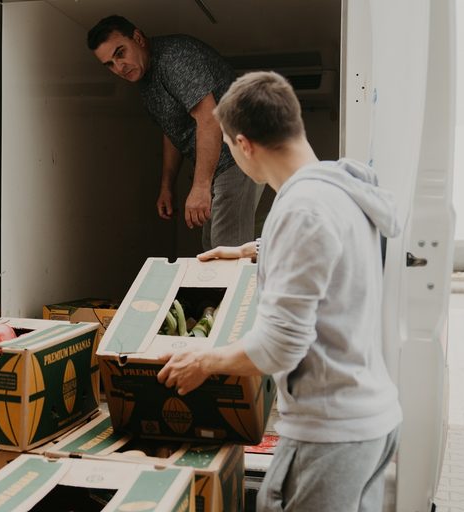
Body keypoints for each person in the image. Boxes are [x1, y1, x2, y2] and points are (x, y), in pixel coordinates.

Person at [157, 71, 403, 511]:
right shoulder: (337, 188)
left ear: (244, 145)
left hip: (329, 434)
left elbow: (280, 347)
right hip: (370, 421)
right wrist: (251, 250)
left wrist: (204, 362)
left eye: (230, 148)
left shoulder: (301, 209)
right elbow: (327, 250)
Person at [87, 15, 258, 251]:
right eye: (109, 64)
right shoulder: (145, 79)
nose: (119, 67)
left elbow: (209, 119)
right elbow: (173, 130)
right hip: (221, 162)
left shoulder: (173, 59)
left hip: (239, 153)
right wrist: (167, 185)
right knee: (213, 249)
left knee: (227, 254)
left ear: (138, 38)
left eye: (120, 53)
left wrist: (200, 187)